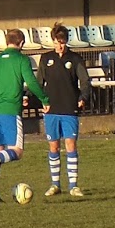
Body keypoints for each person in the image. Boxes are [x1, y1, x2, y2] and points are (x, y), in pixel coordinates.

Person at [0, 28, 50, 204]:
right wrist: (44, 98)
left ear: (6, 42)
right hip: (10, 113)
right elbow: (32, 82)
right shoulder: (22, 60)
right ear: (21, 43)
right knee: (17, 151)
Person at [36, 23, 93, 198]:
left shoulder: (75, 59)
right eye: (56, 42)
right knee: (53, 146)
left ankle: (74, 185)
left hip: (69, 108)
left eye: (62, 42)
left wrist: (83, 97)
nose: (59, 45)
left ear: (66, 41)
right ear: (52, 41)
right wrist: (30, 97)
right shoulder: (46, 59)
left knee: (70, 145)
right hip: (51, 109)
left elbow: (85, 81)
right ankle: (55, 184)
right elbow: (38, 83)